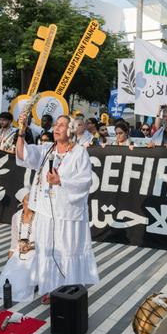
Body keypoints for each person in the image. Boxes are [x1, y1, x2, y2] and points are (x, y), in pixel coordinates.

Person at [15, 111, 99, 303]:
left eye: (61, 125)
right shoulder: (46, 149)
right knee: (47, 249)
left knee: (67, 250)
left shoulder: (79, 152)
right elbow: (22, 154)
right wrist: (21, 131)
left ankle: (68, 289)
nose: (56, 128)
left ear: (70, 130)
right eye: (56, 125)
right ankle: (49, 287)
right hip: (47, 212)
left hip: (68, 214)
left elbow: (85, 182)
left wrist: (61, 180)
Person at [0, 187, 36, 302]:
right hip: (20, 249)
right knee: (6, 278)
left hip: (36, 250)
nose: (32, 201)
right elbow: (14, 239)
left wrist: (30, 247)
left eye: (33, 198)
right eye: (28, 199)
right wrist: (11, 252)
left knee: (21, 286)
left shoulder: (39, 216)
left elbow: (45, 240)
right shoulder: (16, 216)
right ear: (22, 201)